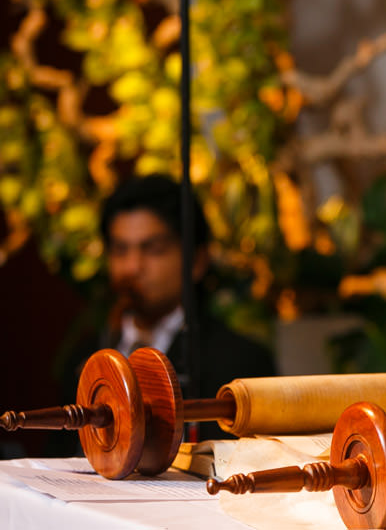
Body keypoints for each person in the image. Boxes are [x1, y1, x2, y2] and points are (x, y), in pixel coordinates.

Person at [66, 173, 277, 441]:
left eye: (153, 249)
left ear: (197, 261)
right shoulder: (86, 356)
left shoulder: (239, 361)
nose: (132, 267)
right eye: (120, 250)